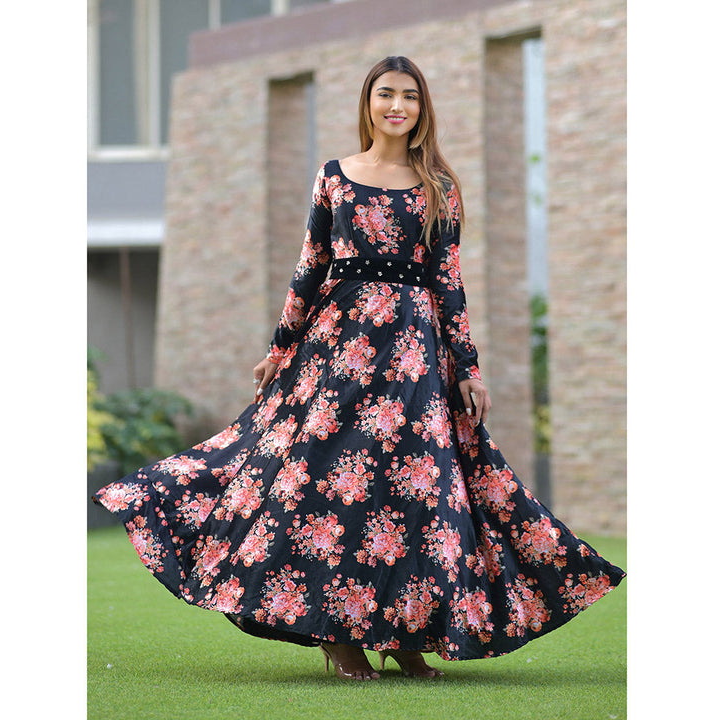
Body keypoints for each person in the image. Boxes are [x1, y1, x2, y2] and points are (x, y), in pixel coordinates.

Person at [94, 56, 625, 681]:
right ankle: (337, 634)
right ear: (368, 103)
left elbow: (448, 282)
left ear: (423, 108)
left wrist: (468, 368)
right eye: (386, 94)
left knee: (414, 488)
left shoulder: (439, 186)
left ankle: (404, 634)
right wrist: (280, 348)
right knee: (322, 482)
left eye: (410, 96)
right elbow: (310, 265)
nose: (398, 106)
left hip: (412, 354)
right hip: (339, 346)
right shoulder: (334, 177)